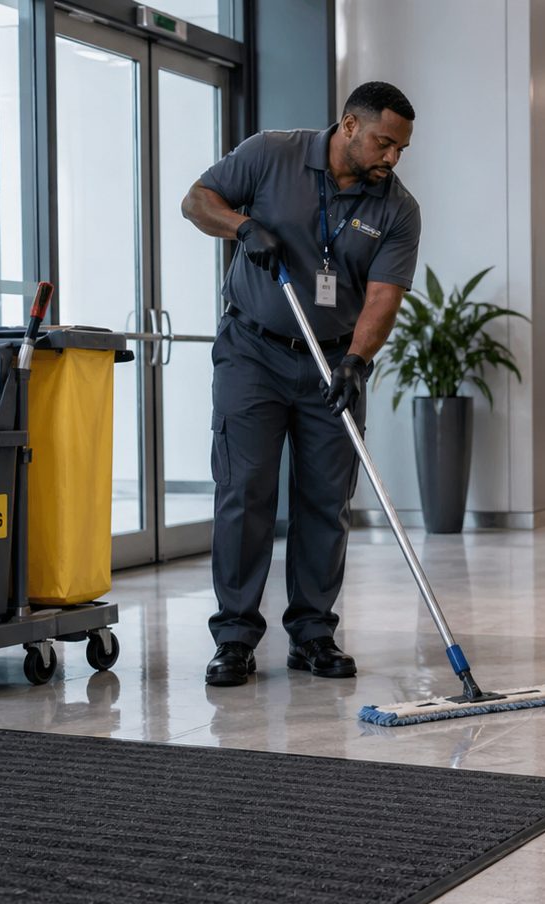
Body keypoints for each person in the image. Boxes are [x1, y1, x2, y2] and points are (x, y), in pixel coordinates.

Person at [181, 82, 422, 687]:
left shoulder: (397, 208)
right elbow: (196, 200)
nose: (391, 158)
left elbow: (383, 297)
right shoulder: (272, 153)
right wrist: (240, 228)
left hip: (332, 361)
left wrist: (358, 361)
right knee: (246, 490)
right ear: (348, 125)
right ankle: (234, 637)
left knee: (325, 500)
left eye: (401, 149)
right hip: (252, 352)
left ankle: (312, 632)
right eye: (384, 143)